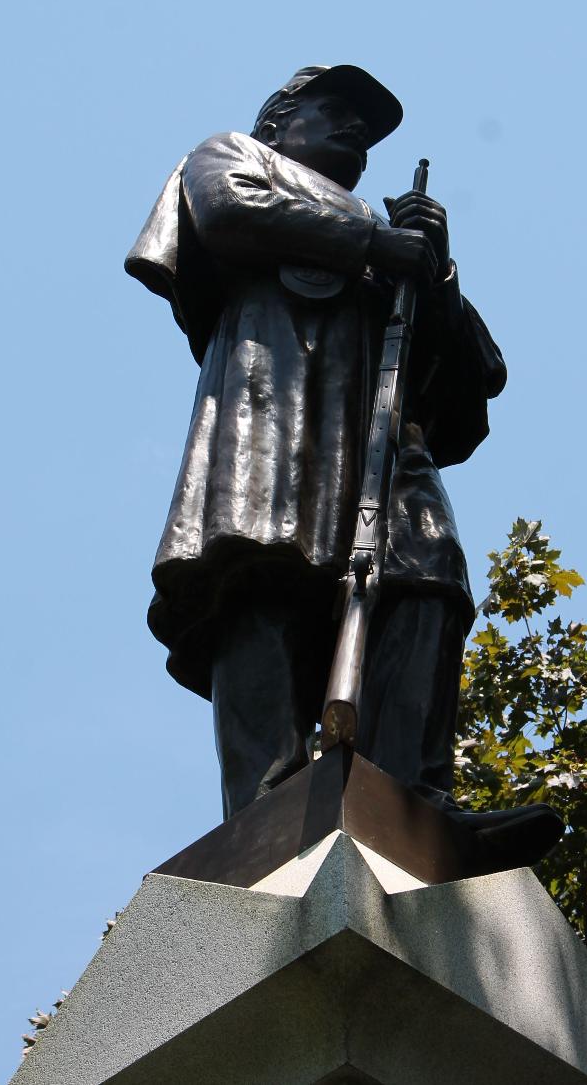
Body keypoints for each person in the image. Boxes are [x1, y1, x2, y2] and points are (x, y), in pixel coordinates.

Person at [126, 65, 562, 869]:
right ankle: (266, 799)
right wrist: (373, 241)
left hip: (384, 444)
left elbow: (477, 377)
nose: (357, 130)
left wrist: (434, 268)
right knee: (259, 577)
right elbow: (223, 213)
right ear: (279, 121)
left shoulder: (395, 245)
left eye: (368, 124)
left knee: (427, 575)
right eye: (339, 111)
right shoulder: (233, 156)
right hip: (276, 407)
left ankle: (409, 798)